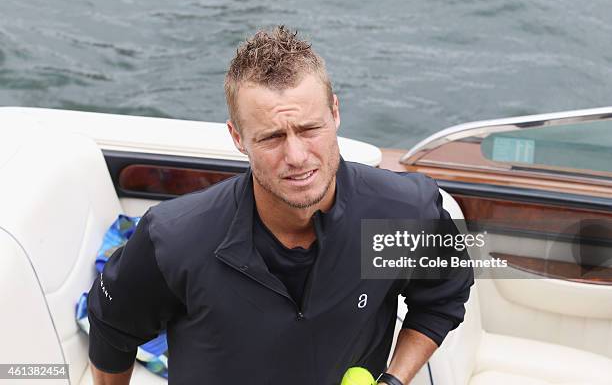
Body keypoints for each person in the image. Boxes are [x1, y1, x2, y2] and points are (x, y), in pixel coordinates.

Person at [87, 25, 474, 385]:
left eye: (310, 129)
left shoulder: (404, 212)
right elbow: (111, 330)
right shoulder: (173, 239)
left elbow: (444, 298)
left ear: (335, 112)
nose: (297, 156)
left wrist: (393, 380)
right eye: (272, 137)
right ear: (238, 137)